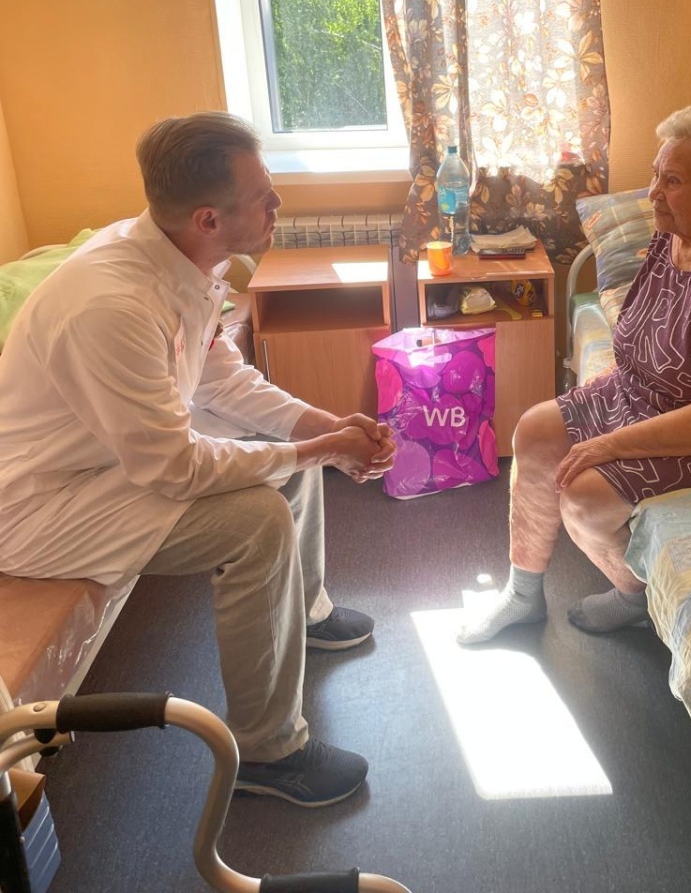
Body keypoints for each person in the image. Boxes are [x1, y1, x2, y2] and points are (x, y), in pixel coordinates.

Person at [0, 112, 396, 808]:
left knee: (278, 453)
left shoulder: (179, 260)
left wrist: (326, 428)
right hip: (41, 506)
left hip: (109, 458)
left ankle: (304, 612)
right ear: (209, 219)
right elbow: (176, 469)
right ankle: (269, 753)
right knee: (256, 521)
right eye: (264, 197)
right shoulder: (112, 307)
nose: (279, 204)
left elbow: (220, 381)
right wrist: (321, 450)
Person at [458, 105, 691, 645]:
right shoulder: (673, 235)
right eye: (656, 175)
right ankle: (522, 594)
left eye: (672, 181)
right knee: (533, 432)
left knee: (583, 496)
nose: (653, 193)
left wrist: (606, 445)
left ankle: (634, 599)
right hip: (647, 392)